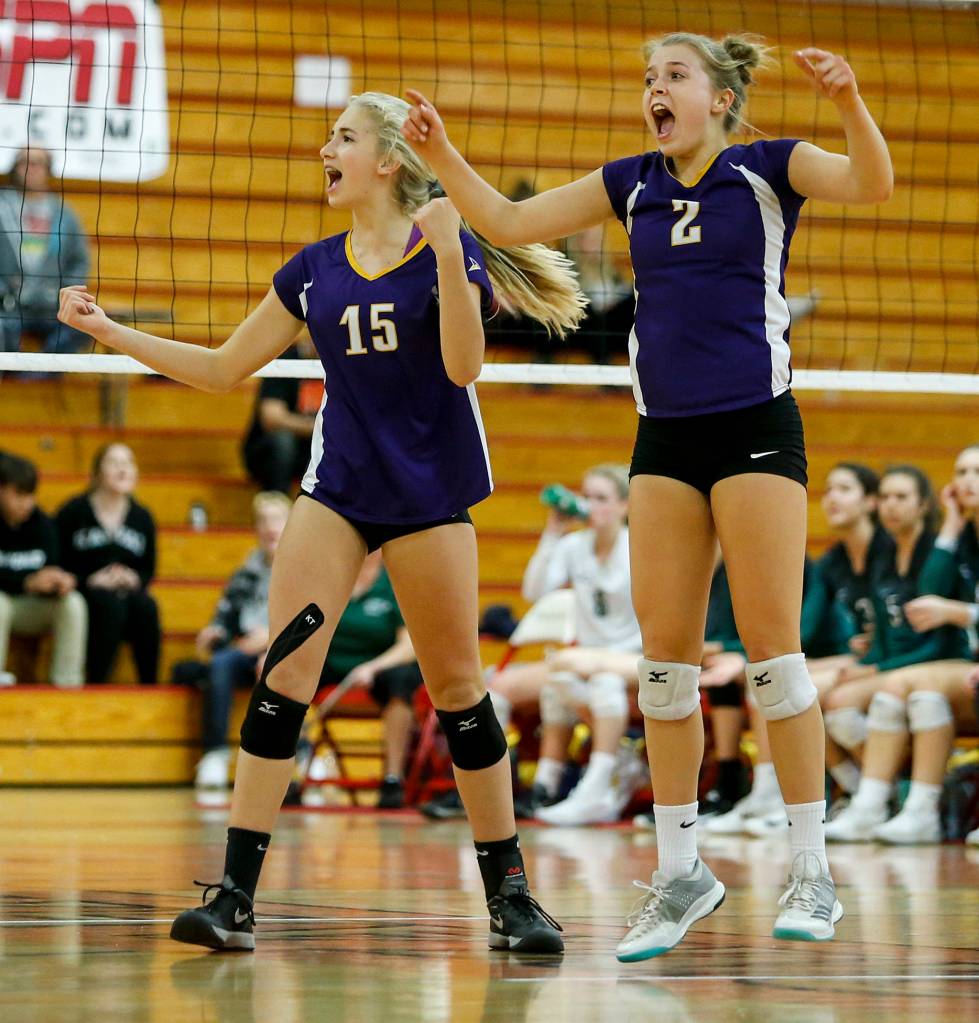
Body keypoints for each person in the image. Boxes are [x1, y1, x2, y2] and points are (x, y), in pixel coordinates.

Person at [59, 91, 586, 954]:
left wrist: (453, 255)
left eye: (342, 138)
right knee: (281, 678)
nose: (323, 150)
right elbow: (226, 366)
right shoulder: (312, 268)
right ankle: (234, 896)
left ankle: (511, 896)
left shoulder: (441, 251)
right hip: (337, 490)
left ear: (387, 161)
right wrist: (109, 329)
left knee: (458, 692)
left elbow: (462, 365)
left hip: (428, 496)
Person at [404, 30, 893, 955]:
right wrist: (438, 154)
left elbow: (872, 184)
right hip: (663, 437)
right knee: (661, 672)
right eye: (647, 81)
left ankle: (811, 871)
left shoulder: (767, 168)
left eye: (672, 77)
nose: (654, 92)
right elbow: (508, 226)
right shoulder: (631, 181)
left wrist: (846, 101)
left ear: (719, 97)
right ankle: (679, 875)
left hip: (755, 428)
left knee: (773, 660)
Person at [826, 448, 979, 843]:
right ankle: (889, 801)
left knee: (892, 690)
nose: (964, 481)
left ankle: (896, 799)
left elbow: (938, 622)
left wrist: (960, 611)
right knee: (894, 696)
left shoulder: (942, 542)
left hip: (951, 659)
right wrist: (871, 660)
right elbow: (923, 600)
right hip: (943, 667)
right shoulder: (894, 552)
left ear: (923, 504)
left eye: (902, 497)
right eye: (960, 471)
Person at [509, 464, 645, 825]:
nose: (590, 505)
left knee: (597, 677)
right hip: (587, 661)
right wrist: (552, 534)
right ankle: (547, 784)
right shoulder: (575, 546)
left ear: (624, 506)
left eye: (601, 498)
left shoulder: (638, 546)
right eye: (586, 497)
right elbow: (534, 592)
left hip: (635, 659)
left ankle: (597, 784)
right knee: (561, 686)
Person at [194, 492, 292, 792]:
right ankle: (214, 753)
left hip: (290, 649)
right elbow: (226, 614)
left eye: (276, 519)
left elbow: (313, 619)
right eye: (262, 521)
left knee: (280, 670)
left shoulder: (300, 568)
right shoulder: (245, 572)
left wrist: (272, 641)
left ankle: (295, 752)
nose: (269, 527)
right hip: (246, 648)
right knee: (220, 663)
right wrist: (215, 631)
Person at [313, 549, 421, 810]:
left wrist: (372, 667)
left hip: (383, 665)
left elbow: (409, 646)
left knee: (402, 680)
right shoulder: (331, 578)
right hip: (332, 663)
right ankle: (289, 772)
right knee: (289, 676)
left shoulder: (395, 582)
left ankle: (392, 778)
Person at [56, 443, 160, 685]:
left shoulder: (142, 517)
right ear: (97, 472)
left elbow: (148, 569)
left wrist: (133, 578)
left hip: (126, 593)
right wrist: (89, 580)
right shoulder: (73, 511)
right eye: (114, 463)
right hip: (84, 591)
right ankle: (97, 684)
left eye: (129, 463)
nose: (123, 469)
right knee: (110, 606)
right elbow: (57, 560)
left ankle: (150, 686)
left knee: (147, 606)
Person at [0, 451, 86, 687]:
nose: (25, 503)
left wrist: (59, 582)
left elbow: (55, 566)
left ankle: (67, 682)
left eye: (30, 495)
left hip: (32, 606)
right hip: (5, 603)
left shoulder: (45, 525)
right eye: (18, 495)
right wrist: (26, 582)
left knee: (73, 604)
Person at [0, 146, 89, 354]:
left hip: (52, 307)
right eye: (24, 162)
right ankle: (14, 377)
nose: (31, 168)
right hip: (7, 307)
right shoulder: (2, 209)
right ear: (15, 168)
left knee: (85, 328)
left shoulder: (65, 215)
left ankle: (36, 379)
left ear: (48, 170)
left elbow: (79, 260)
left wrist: (65, 293)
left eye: (38, 163)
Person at [241, 342, 323, 494]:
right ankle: (277, 505)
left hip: (308, 451)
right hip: (266, 451)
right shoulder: (286, 359)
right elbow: (272, 417)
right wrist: (318, 426)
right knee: (283, 441)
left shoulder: (337, 363)